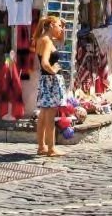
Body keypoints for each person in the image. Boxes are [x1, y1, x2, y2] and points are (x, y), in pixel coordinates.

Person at [33, 15, 66, 157]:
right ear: (51, 25)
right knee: (50, 116)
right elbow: (45, 62)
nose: (60, 28)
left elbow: (60, 40)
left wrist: (63, 30)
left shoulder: (42, 39)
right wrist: (54, 71)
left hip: (45, 81)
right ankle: (51, 148)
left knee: (43, 114)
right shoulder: (46, 41)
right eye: (59, 25)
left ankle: (41, 146)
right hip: (50, 81)